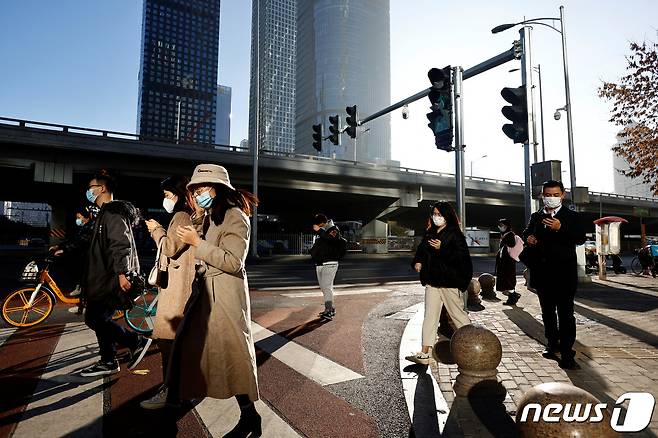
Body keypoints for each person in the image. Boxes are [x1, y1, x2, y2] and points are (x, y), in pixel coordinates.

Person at [173, 164, 261, 436]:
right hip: (207, 294)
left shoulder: (235, 216)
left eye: (202, 188)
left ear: (218, 188)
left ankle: (249, 417)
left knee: (232, 355)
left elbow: (234, 262)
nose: (198, 194)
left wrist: (197, 243)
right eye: (195, 190)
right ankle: (183, 393)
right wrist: (199, 221)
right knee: (196, 349)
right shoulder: (213, 216)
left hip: (225, 294)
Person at [79, 170, 152, 377]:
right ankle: (108, 360)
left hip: (110, 277)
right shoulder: (104, 214)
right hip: (105, 276)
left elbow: (121, 244)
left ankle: (134, 341)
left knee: (94, 319)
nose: (88, 191)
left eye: (91, 187)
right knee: (100, 318)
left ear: (101, 188)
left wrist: (122, 273)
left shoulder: (112, 213)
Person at [139, 176, 198, 409]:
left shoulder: (181, 216)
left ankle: (170, 393)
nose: (165, 199)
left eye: (167, 195)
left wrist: (157, 230)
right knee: (175, 345)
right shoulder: (187, 215)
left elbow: (171, 247)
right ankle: (179, 391)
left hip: (178, 289)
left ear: (179, 194)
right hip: (180, 285)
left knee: (168, 344)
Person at [522, 180, 585, 370]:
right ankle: (552, 344)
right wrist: (529, 238)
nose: (551, 198)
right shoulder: (536, 216)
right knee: (547, 313)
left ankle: (567, 353)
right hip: (542, 274)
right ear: (542, 195)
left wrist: (561, 228)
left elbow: (580, 239)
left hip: (564, 275)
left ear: (562, 195)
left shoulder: (572, 216)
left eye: (555, 194)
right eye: (548, 194)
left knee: (566, 315)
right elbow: (526, 232)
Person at [406, 202, 473, 365]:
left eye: (439, 214)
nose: (436, 217)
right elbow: (422, 251)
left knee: (458, 315)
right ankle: (424, 353)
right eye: (434, 214)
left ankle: (474, 346)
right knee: (430, 316)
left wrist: (443, 248)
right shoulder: (430, 232)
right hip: (432, 281)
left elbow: (462, 259)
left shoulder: (455, 234)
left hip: (449, 282)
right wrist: (418, 261)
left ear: (447, 216)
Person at [309, 213, 345, 321]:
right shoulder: (323, 231)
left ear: (323, 223)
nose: (318, 227)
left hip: (330, 263)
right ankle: (330, 308)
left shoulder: (334, 229)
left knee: (327, 286)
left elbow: (331, 239)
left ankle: (328, 310)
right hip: (320, 263)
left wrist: (319, 231)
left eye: (319, 225)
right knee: (323, 287)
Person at [495, 218, 521, 306]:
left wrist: (504, 239)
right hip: (505, 261)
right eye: (500, 225)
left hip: (508, 261)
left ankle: (513, 297)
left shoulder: (510, 234)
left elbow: (511, 244)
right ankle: (513, 296)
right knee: (507, 278)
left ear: (507, 226)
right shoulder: (505, 234)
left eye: (502, 225)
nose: (500, 227)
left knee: (509, 278)